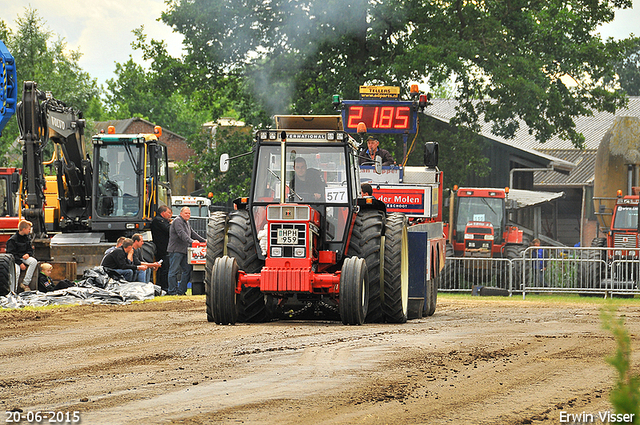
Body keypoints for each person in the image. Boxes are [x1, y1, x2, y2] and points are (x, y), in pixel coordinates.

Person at [167, 207, 206, 295]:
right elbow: (181, 234)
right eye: (186, 213)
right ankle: (172, 291)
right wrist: (192, 241)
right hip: (176, 250)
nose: (188, 215)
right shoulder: (177, 221)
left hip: (184, 251)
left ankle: (181, 291)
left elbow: (192, 233)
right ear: (181, 213)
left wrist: (204, 240)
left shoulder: (186, 222)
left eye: (189, 213)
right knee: (173, 271)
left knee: (187, 270)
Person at [7, 220, 38, 292]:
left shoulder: (27, 238)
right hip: (14, 259)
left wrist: (28, 254)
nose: (29, 231)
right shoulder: (12, 240)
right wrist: (20, 263)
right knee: (16, 272)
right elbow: (11, 254)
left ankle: (25, 283)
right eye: (29, 229)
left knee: (33, 261)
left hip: (23, 257)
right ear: (24, 229)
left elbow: (30, 249)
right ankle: (13, 290)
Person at [151, 205, 172, 291]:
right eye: (169, 213)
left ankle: (162, 286)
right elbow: (168, 229)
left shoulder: (162, 220)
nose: (170, 215)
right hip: (162, 248)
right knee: (164, 269)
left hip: (164, 248)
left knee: (164, 268)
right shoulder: (158, 220)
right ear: (163, 213)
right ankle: (164, 287)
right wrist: (171, 223)